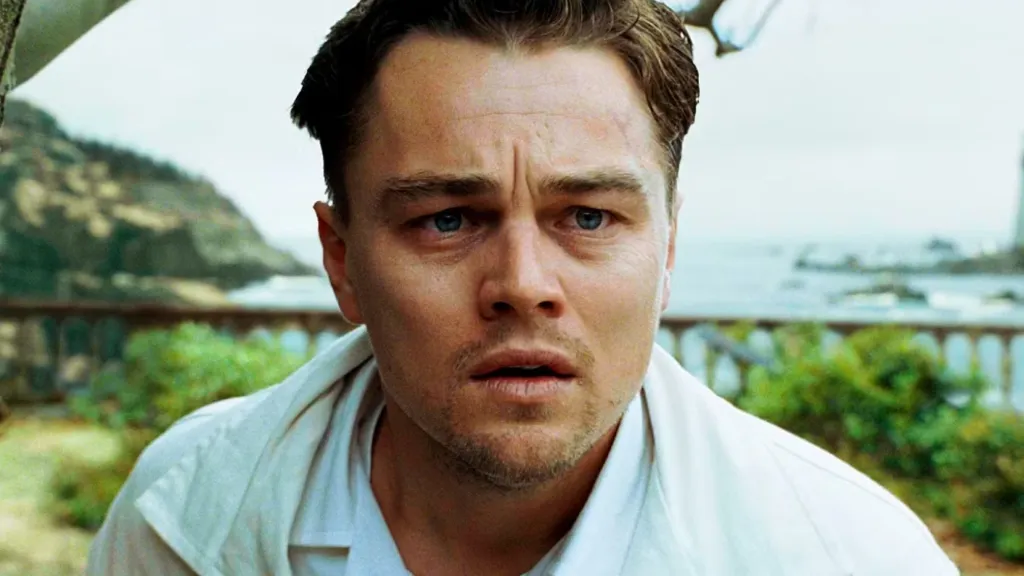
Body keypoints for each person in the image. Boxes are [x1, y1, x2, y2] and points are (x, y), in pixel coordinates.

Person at [87, 1, 960, 574]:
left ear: (667, 249)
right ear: (342, 259)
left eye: (588, 217)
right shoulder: (182, 516)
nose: (523, 285)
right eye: (446, 219)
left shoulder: (849, 556)